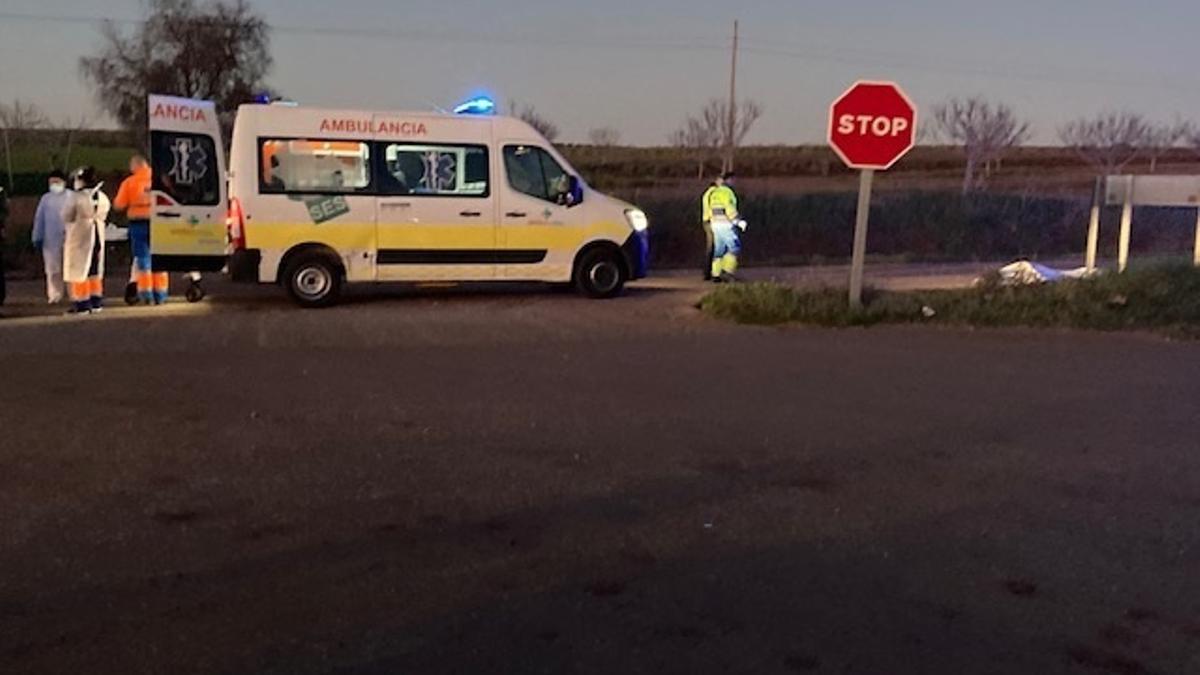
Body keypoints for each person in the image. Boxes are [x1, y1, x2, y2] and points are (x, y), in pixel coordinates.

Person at [113, 155, 166, 304]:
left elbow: (119, 205)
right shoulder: (159, 179)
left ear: (135, 166)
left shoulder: (129, 182)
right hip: (159, 222)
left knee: (143, 259)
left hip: (138, 224)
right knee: (160, 258)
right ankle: (161, 294)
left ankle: (146, 294)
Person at [61, 166, 109, 315]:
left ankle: (82, 303)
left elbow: (66, 215)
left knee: (79, 269)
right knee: (94, 269)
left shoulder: (76, 197)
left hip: (80, 235)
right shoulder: (102, 197)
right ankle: (96, 301)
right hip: (97, 235)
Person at [31, 170, 72, 304]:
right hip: (50, 239)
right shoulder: (46, 199)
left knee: (70, 268)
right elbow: (39, 219)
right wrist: (37, 235)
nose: (54, 185)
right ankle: (55, 295)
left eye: (56, 182)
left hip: (69, 237)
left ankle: (73, 294)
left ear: (64, 182)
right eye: (51, 182)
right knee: (53, 269)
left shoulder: (71, 197)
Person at [702, 172, 740, 282]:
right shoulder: (723, 192)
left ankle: (715, 274)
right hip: (722, 223)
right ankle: (726, 273)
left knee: (717, 249)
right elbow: (729, 208)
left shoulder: (711, 193)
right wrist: (737, 220)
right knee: (732, 248)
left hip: (713, 222)